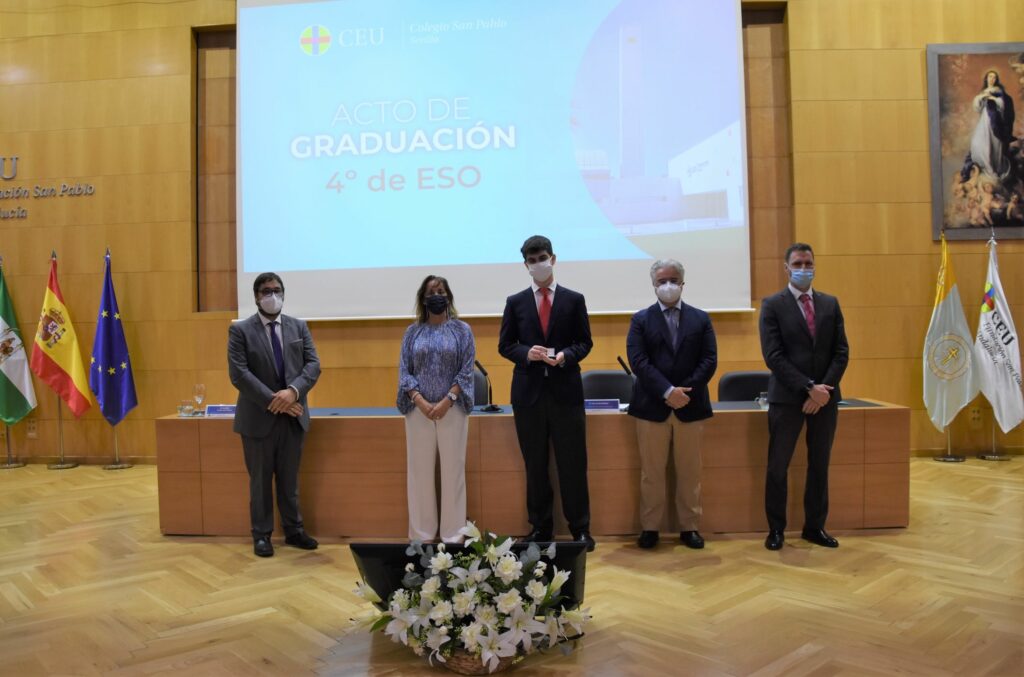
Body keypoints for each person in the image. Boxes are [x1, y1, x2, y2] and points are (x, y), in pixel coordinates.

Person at [498, 235, 595, 552]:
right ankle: (540, 528)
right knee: (536, 465)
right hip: (528, 394)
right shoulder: (515, 302)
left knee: (572, 463)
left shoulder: (573, 299)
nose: (538, 264)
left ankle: (580, 529)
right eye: (531, 260)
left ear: (552, 259)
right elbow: (506, 345)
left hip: (566, 390)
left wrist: (567, 355)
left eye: (542, 257)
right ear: (525, 265)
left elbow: (585, 342)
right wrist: (528, 352)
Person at [759, 243, 849, 551]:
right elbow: (773, 356)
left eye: (808, 263)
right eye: (797, 263)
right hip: (787, 398)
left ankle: (815, 527)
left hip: (825, 399)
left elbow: (841, 352)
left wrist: (823, 390)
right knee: (777, 467)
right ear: (786, 267)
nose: (804, 268)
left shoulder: (830, 304)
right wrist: (808, 387)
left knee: (819, 464)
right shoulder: (772, 305)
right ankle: (776, 530)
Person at [228, 273, 321, 557]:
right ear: (256, 296)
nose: (272, 295)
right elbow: (239, 374)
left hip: (293, 417)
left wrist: (292, 392)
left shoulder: (299, 327)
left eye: (277, 290)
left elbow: (313, 365)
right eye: (266, 291)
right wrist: (276, 400)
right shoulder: (240, 330)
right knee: (260, 482)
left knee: (289, 480)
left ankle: (294, 531)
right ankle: (262, 535)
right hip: (258, 419)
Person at [627, 259, 717, 550]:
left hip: (691, 406)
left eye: (673, 280)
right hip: (652, 408)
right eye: (662, 281)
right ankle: (650, 527)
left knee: (690, 472)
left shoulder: (701, 319)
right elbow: (639, 362)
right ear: (654, 285)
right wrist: (667, 391)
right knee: (651, 473)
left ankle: (689, 527)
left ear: (682, 282)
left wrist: (683, 392)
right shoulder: (640, 320)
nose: (668, 285)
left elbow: (709, 360)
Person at [397, 275, 475, 544]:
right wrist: (419, 400)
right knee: (419, 473)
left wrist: (447, 401)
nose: (436, 295)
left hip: (452, 409)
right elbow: (404, 371)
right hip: (417, 411)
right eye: (431, 292)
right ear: (423, 298)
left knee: (453, 471)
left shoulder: (462, 330)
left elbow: (466, 370)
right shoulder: (412, 332)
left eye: (441, 291)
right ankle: (421, 535)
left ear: (448, 296)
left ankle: (453, 536)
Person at [961, 69, 1016, 184]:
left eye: (994, 77)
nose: (992, 79)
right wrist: (981, 97)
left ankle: (992, 170)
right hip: (984, 121)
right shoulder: (984, 91)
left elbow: (1003, 105)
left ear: (996, 80)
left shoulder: (998, 91)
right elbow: (977, 107)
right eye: (990, 77)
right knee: (978, 143)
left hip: (995, 123)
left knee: (993, 146)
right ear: (986, 78)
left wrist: (993, 99)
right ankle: (986, 168)